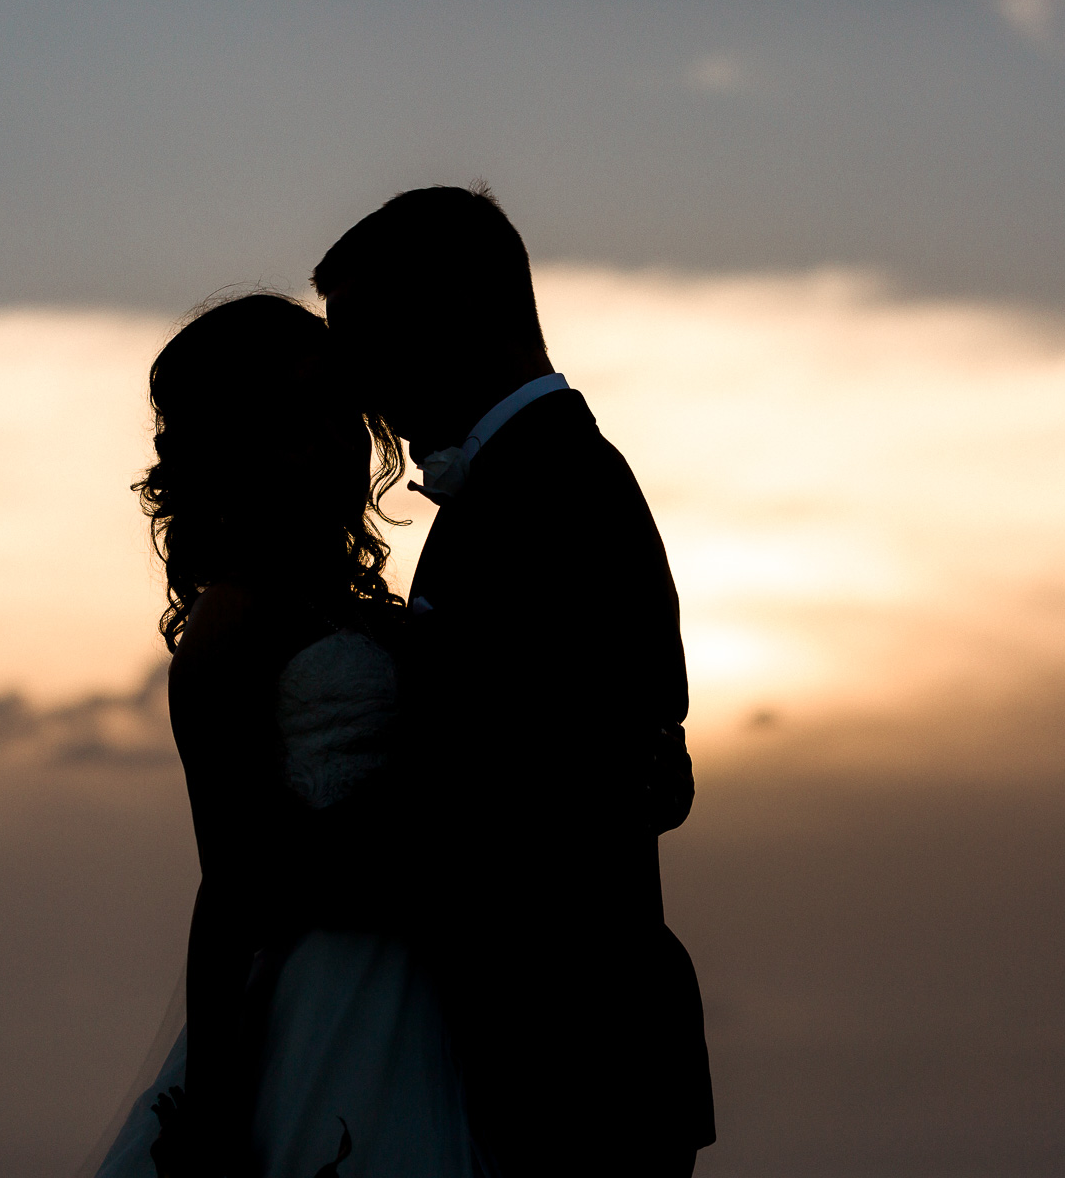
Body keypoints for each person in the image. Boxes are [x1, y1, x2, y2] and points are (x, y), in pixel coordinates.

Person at [315, 185, 716, 1178]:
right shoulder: (531, 485)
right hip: (557, 1057)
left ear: (461, 310)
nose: (359, 383)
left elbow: (525, 789)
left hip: (574, 1062)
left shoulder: (554, 491)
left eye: (371, 337)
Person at [90, 292, 481, 1178]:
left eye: (344, 410)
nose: (340, 441)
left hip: (439, 980)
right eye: (297, 418)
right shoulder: (231, 624)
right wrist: (221, 1116)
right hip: (331, 1000)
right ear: (237, 448)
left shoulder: (359, 607)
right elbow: (233, 881)